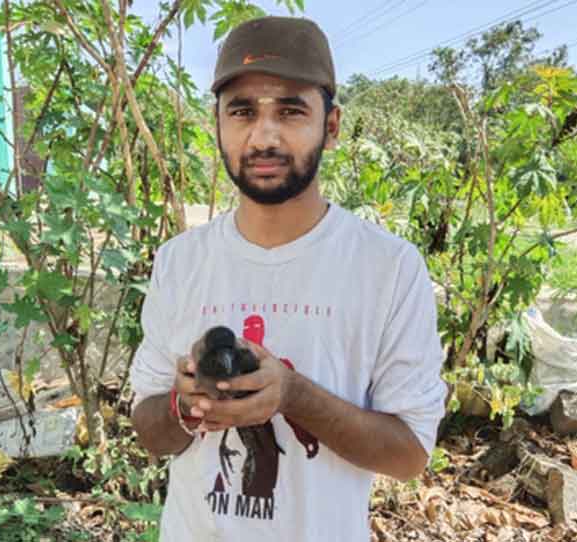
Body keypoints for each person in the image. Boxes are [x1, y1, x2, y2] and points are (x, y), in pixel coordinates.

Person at [130, 16, 447, 542]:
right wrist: (185, 405)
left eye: (291, 110)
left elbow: (410, 453)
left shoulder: (386, 267)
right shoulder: (180, 261)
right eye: (242, 111)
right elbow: (151, 433)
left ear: (333, 124)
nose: (264, 135)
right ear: (218, 124)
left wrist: (293, 395)